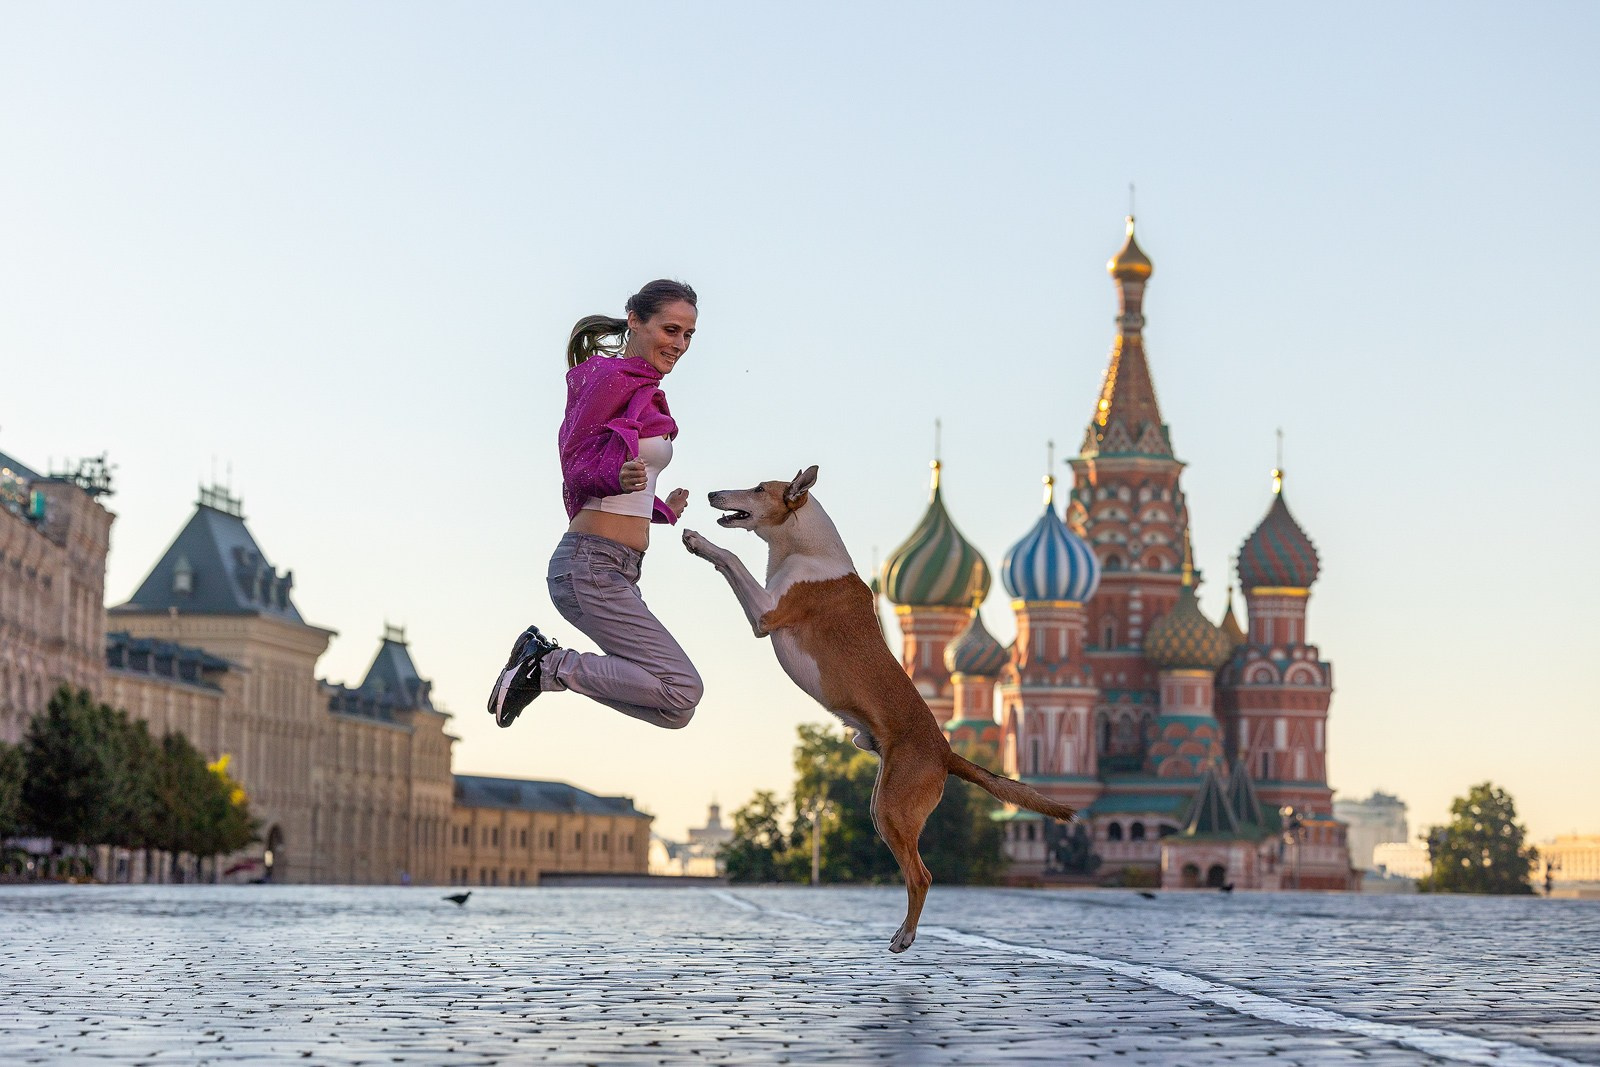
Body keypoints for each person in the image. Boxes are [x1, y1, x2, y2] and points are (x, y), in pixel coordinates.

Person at [487, 279, 704, 730]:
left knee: (676, 709)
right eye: (670, 330)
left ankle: (545, 665)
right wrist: (615, 477)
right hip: (589, 565)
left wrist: (660, 508)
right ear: (635, 321)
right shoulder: (609, 379)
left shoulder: (644, 389)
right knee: (683, 686)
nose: (680, 344)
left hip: (619, 566)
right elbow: (575, 459)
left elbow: (622, 483)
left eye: (688, 335)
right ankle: (546, 665)